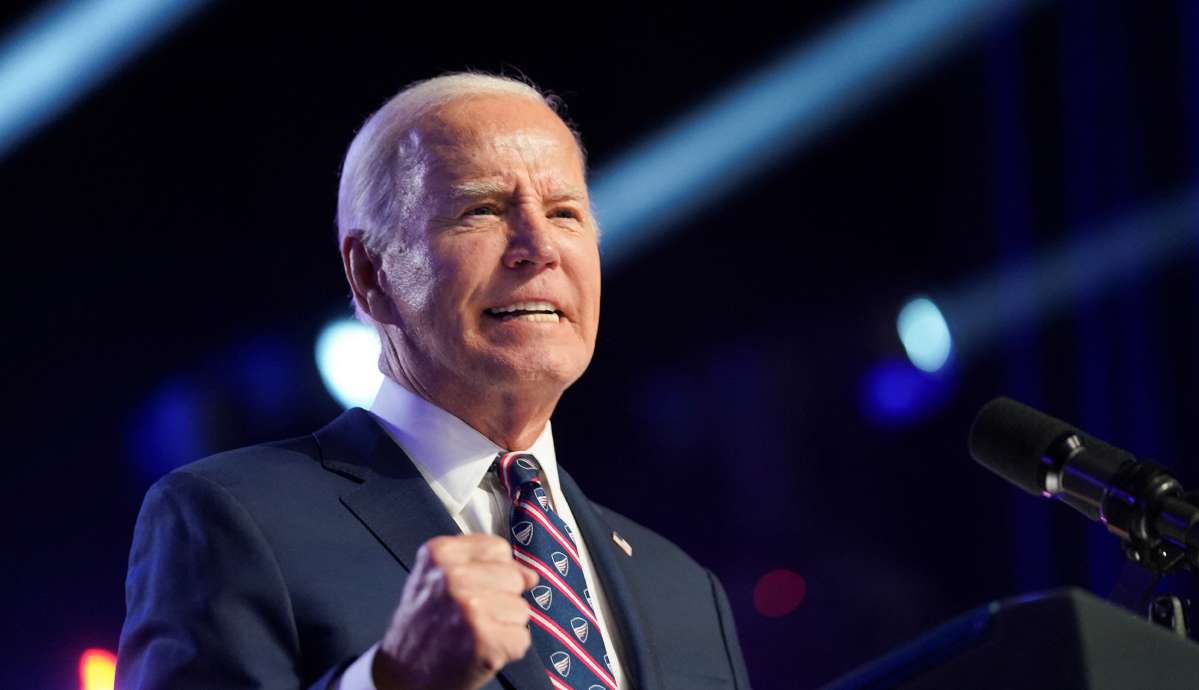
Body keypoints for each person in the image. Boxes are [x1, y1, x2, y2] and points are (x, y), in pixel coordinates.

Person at [117, 72, 751, 690]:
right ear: (371, 273)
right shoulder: (229, 519)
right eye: (481, 210)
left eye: (564, 213)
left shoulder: (687, 591)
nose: (539, 245)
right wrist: (395, 680)